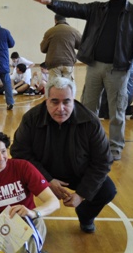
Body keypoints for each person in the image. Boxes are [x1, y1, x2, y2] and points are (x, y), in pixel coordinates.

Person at [31, 0, 133, 161]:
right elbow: (75, 8)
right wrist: (52, 2)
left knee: (117, 111)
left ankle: (115, 148)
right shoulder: (98, 9)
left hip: (118, 70)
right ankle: (85, 145)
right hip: (94, 66)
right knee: (87, 108)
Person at [10, 77, 116, 234]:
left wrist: (81, 195)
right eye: (54, 102)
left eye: (66, 102)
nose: (61, 108)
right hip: (41, 171)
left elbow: (103, 161)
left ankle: (85, 215)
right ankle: (18, 222)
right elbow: (19, 153)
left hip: (78, 171)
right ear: (46, 100)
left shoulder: (90, 122)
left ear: (73, 100)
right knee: (12, 182)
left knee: (107, 190)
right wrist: (46, 179)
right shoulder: (31, 119)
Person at [40, 14, 81, 83]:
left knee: (55, 85)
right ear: (65, 19)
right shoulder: (74, 31)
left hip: (54, 63)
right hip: (68, 62)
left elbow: (43, 49)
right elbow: (82, 46)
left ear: (55, 20)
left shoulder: (49, 32)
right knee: (68, 85)